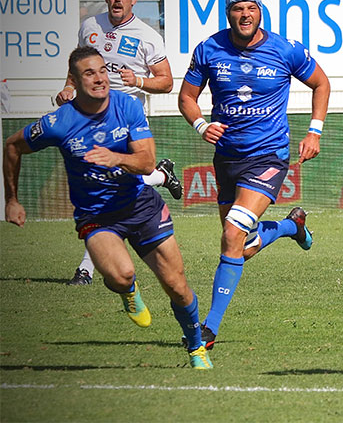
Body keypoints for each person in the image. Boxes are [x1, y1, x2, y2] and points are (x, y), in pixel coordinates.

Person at [4, 47, 211, 369]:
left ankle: (196, 347)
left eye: (102, 70)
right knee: (122, 275)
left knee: (177, 286)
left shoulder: (127, 106)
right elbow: (13, 145)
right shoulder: (59, 122)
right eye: (89, 73)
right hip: (96, 216)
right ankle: (127, 290)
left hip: (140, 206)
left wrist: (116, 157)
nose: (99, 78)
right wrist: (12, 200)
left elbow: (147, 163)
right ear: (74, 80)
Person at [177, 0, 331, 350]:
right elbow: (186, 97)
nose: (244, 14)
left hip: (268, 156)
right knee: (241, 246)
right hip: (227, 158)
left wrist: (314, 131)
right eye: (237, 8)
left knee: (232, 235)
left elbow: (321, 83)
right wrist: (201, 125)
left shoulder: (285, 49)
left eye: (251, 8)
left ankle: (208, 329)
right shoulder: (208, 49)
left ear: (260, 12)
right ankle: (290, 227)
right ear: (228, 13)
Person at [55, 0, 183, 287]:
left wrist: (137, 80)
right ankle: (160, 176)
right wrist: (68, 88)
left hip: (127, 120)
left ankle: (86, 270)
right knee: (103, 187)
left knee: (106, 191)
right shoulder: (90, 26)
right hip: (89, 120)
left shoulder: (147, 36)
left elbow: (166, 82)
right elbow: (76, 67)